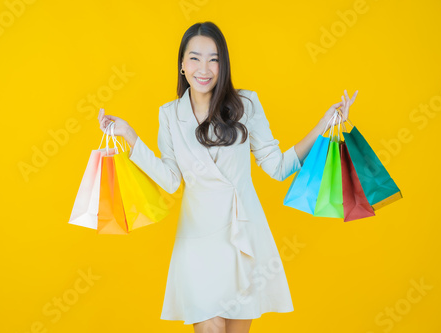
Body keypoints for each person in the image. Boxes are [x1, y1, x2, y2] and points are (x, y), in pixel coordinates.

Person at [97, 21, 357, 333]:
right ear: (181, 65)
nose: (203, 68)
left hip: (242, 236)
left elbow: (277, 167)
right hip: (198, 239)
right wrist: (129, 136)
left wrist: (323, 124)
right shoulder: (169, 114)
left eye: (214, 58)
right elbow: (170, 180)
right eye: (194, 58)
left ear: (224, 64)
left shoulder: (245, 104)